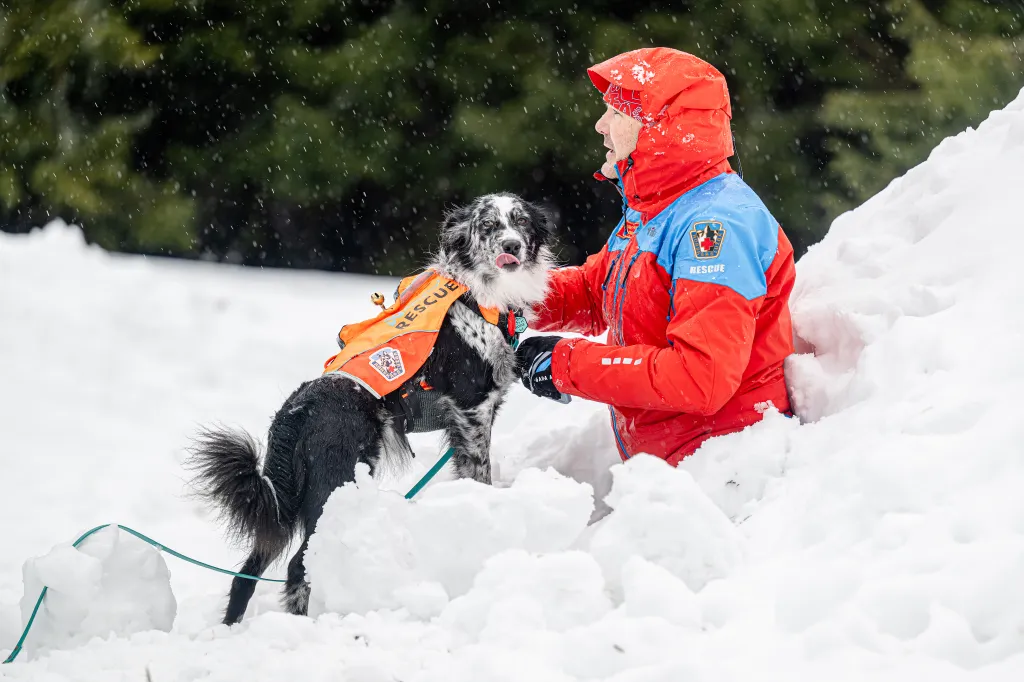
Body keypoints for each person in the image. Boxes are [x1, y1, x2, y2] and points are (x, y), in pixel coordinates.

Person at [515, 47, 796, 466]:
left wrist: (566, 363)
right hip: (674, 468)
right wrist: (500, 297)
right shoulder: (659, 207)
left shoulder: (715, 224)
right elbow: (597, 292)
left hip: (728, 472)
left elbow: (701, 377)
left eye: (616, 113)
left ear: (659, 126)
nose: (601, 126)